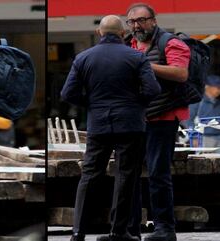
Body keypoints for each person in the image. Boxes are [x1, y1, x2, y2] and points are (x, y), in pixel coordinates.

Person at [61, 15, 160, 241]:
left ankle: (78, 232)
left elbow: (67, 93)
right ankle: (118, 232)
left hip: (98, 124)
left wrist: (92, 104)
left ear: (99, 33)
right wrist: (135, 104)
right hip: (131, 123)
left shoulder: (83, 58)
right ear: (123, 33)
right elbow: (153, 90)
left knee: (89, 176)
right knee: (125, 176)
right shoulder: (136, 57)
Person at [125, 3, 191, 241]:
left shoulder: (171, 43)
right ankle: (129, 229)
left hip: (163, 117)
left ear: (153, 20)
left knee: (158, 173)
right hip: (136, 118)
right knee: (129, 174)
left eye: (141, 20)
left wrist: (145, 64)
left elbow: (181, 73)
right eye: (131, 21)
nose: (136, 26)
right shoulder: (129, 44)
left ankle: (164, 228)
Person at [187, 75, 220, 148]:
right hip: (203, 137)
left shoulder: (218, 101)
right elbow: (189, 120)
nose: (219, 90)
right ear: (208, 87)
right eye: (217, 87)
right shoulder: (198, 100)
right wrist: (194, 136)